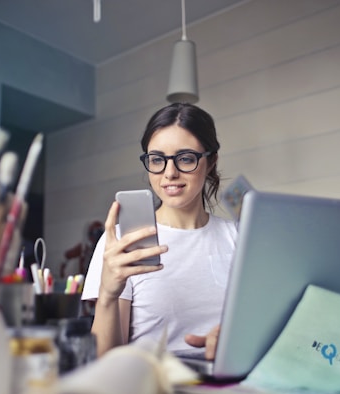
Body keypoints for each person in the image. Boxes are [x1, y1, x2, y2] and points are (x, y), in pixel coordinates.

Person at [81, 103, 237, 358]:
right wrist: (108, 294)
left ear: (210, 162)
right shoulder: (123, 242)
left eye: (186, 158)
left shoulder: (238, 238)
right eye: (157, 160)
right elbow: (105, 361)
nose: (170, 173)